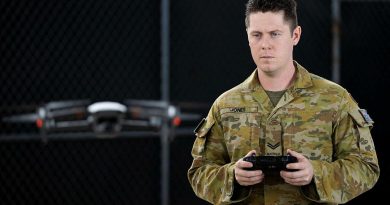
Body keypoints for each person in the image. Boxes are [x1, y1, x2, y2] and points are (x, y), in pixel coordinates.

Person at [187, 0, 380, 204]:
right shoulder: (225, 105)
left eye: (275, 34)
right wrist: (232, 176)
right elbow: (199, 173)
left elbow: (366, 167)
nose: (265, 44)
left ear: (295, 35)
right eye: (257, 35)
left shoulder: (334, 99)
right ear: (248, 37)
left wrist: (316, 173)